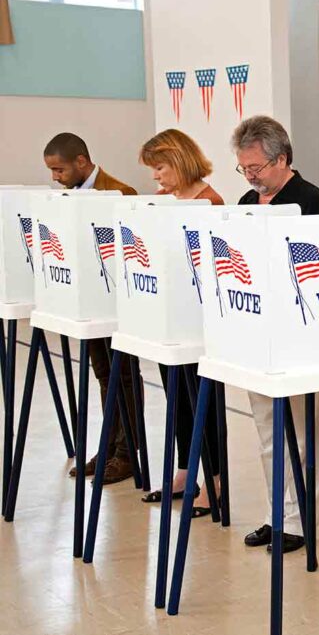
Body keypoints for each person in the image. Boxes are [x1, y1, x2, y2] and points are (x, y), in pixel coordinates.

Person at [231, 116, 319, 554]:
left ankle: (301, 520)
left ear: (283, 159)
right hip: (259, 337)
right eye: (243, 168)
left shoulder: (311, 201)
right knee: (269, 433)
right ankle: (278, 515)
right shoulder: (245, 201)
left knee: (306, 436)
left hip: (303, 339)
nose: (250, 176)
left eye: (256, 167)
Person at [44, 132, 142, 485]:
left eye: (59, 169)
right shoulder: (68, 196)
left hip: (116, 306)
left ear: (81, 162)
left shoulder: (119, 192)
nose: (55, 177)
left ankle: (128, 454)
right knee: (104, 376)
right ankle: (111, 447)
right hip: (88, 304)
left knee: (125, 377)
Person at [137, 129, 223, 516]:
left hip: (200, 322)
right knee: (178, 401)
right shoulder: (162, 202)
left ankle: (216, 480)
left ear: (180, 160)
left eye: (160, 167)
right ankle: (186, 470)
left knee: (205, 403)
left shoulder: (210, 201)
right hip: (168, 317)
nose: (156, 177)